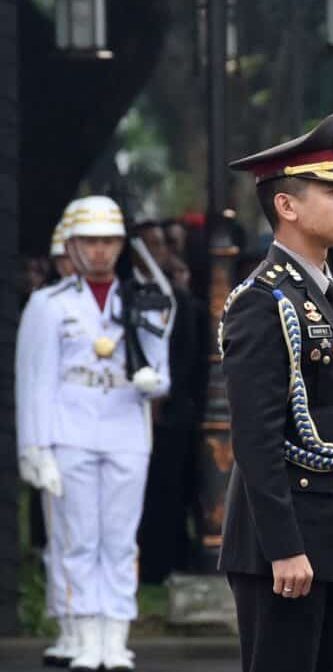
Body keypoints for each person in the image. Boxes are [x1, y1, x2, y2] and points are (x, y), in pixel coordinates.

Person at [218, 113, 333, 672]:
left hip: (327, 535)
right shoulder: (264, 301)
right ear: (287, 206)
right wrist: (284, 545)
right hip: (280, 545)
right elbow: (255, 438)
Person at [16, 195, 171, 671]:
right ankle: (84, 634)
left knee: (120, 539)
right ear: (74, 246)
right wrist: (34, 447)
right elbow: (35, 379)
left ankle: (114, 637)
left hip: (125, 427)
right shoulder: (48, 304)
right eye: (90, 242)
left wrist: (152, 381)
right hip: (71, 430)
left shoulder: (140, 297)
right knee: (78, 537)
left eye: (108, 241)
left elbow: (159, 370)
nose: (100, 251)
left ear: (121, 246)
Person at [134, 221, 206, 584]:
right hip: (131, 409)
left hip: (171, 412)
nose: (156, 251)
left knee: (168, 491)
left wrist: (167, 395)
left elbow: (186, 355)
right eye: (149, 244)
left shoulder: (176, 298)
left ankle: (163, 562)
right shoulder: (127, 292)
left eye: (160, 244)